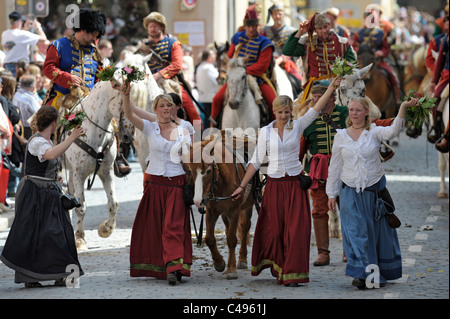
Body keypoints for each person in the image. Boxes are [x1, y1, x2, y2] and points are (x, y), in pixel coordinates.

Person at [231, 77, 342, 287]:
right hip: (273, 186)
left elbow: (316, 108)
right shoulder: (265, 132)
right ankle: (278, 264)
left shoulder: (298, 125)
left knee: (295, 230)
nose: (284, 115)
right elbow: (255, 162)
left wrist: (332, 88)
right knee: (274, 230)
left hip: (294, 186)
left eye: (287, 111)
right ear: (274, 112)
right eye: (280, 112)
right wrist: (242, 185)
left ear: (291, 111)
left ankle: (292, 272)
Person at [326, 96, 419, 289]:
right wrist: (330, 193)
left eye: (358, 110)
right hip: (349, 193)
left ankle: (375, 274)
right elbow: (334, 167)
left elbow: (394, 130)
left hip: (373, 193)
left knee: (373, 235)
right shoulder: (341, 136)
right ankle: (364, 275)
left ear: (367, 112)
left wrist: (403, 106)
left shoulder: (375, 132)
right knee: (356, 233)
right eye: (351, 110)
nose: (354, 114)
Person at [0, 105, 85, 288]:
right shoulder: (37, 141)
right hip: (35, 193)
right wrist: (72, 137)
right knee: (36, 234)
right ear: (53, 123)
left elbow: (48, 161)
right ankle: (29, 277)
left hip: (49, 191)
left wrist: (55, 176)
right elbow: (50, 154)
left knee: (57, 234)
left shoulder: (46, 140)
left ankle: (60, 274)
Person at [117, 81, 192, 285]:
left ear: (174, 108)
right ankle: (161, 265)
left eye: (169, 105)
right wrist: (125, 95)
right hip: (155, 184)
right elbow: (130, 114)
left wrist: (197, 190)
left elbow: (189, 164)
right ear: (156, 109)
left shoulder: (184, 131)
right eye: (162, 106)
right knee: (154, 227)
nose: (166, 108)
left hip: (176, 184)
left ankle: (174, 268)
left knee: (172, 227)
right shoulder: (150, 128)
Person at [42, 8, 130, 176]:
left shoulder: (95, 51)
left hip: (90, 98)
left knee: (111, 121)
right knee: (52, 122)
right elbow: (48, 69)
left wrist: (118, 78)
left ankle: (117, 156)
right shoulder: (59, 45)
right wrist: (67, 77)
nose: (94, 39)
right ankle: (52, 161)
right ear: (83, 29)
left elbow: (103, 74)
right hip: (64, 96)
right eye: (93, 34)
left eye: (97, 35)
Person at [211, 9, 277, 125]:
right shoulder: (237, 37)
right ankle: (213, 126)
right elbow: (230, 55)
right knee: (216, 99)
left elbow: (262, 66)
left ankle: (276, 128)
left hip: (258, 78)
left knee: (273, 102)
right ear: (245, 26)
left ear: (257, 26)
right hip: (236, 76)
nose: (251, 29)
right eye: (248, 26)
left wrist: (243, 70)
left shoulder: (265, 43)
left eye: (254, 26)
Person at [140, 12, 201, 125]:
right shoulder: (144, 47)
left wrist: (158, 75)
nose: (152, 29)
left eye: (154, 26)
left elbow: (177, 65)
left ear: (162, 27)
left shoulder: (174, 44)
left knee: (193, 114)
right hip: (147, 82)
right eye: (150, 27)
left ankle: (197, 138)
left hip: (169, 82)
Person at [282, 12, 356, 104]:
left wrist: (342, 76)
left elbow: (352, 64)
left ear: (329, 25)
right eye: (320, 28)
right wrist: (300, 32)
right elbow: (287, 51)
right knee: (300, 111)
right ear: (315, 30)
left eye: (325, 27)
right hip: (315, 86)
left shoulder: (343, 43)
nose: (323, 30)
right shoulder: (307, 43)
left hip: (339, 86)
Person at [352, 11, 400, 104]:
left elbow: (386, 48)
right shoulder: (359, 33)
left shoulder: (381, 34)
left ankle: (397, 96)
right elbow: (353, 46)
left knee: (392, 74)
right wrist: (360, 50)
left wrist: (381, 52)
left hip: (378, 62)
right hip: (361, 61)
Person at [1, 11, 48, 78]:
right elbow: (44, 39)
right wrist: (38, 27)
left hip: (8, 66)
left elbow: (17, 39)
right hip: (20, 67)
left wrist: (24, 29)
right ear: (19, 22)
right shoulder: (22, 34)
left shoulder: (4, 34)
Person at [429, 21, 449, 149]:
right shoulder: (446, 38)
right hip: (448, 74)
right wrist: (434, 81)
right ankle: (438, 131)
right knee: (436, 98)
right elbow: (440, 61)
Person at [12, 75, 41, 139]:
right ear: (33, 87)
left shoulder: (16, 94)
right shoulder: (30, 99)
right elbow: (40, 112)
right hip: (28, 130)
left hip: (18, 128)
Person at [195, 49, 219, 129]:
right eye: (213, 55)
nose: (215, 57)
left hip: (203, 97)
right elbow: (217, 81)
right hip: (211, 98)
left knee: (206, 118)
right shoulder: (209, 67)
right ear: (209, 57)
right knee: (211, 119)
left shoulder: (200, 67)